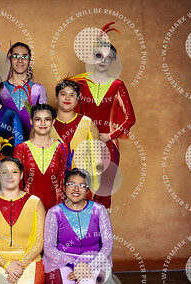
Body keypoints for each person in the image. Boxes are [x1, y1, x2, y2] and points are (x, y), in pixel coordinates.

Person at [43, 168, 113, 284]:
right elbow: (49, 248)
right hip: (60, 260)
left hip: (94, 261)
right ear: (64, 187)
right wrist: (75, 263)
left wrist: (88, 266)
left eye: (82, 185)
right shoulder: (55, 213)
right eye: (72, 184)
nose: (76, 189)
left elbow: (107, 244)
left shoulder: (99, 210)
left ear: (88, 189)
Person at [77, 40, 136, 208]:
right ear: (92, 57)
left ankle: (101, 226)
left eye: (108, 57)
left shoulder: (117, 85)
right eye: (99, 55)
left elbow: (130, 118)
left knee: (103, 195)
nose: (103, 60)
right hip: (82, 145)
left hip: (108, 147)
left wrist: (109, 136)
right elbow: (70, 113)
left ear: (113, 60)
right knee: (79, 192)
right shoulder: (80, 83)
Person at [52, 79, 101, 195]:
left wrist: (93, 188)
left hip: (81, 187)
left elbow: (97, 158)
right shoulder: (45, 123)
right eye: (63, 94)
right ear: (56, 97)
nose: (67, 98)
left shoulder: (87, 123)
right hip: (52, 186)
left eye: (72, 95)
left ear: (77, 99)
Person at [13, 104, 67, 211]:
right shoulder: (21, 149)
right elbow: (16, 183)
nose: (42, 123)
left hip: (56, 209)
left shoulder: (63, 148)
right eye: (38, 119)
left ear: (53, 121)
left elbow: (66, 182)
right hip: (28, 208)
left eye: (47, 119)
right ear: (31, 121)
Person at [1, 42, 47, 136]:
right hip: (6, 140)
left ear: (29, 60)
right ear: (10, 59)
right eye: (16, 56)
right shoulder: (0, 88)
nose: (20, 60)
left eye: (24, 56)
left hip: (32, 141)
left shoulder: (38, 89)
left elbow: (44, 120)